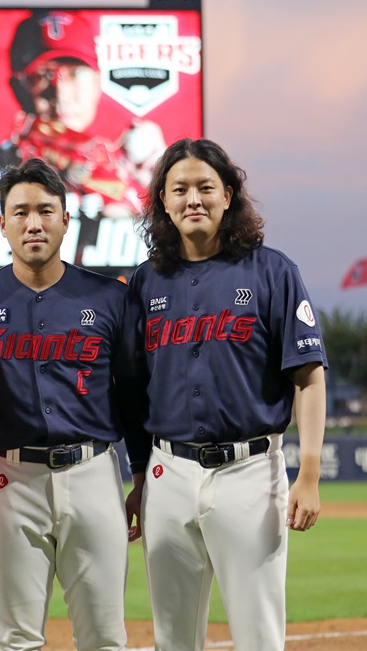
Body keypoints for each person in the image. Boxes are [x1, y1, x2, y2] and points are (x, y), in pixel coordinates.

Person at [123, 138, 328, 650]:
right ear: (164, 203)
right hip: (167, 472)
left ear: (229, 195)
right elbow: (132, 391)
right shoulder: (146, 283)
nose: (193, 199)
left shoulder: (273, 272)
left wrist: (308, 472)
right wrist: (138, 477)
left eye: (205, 187)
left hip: (250, 471)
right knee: (173, 636)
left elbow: (308, 377)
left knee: (258, 634)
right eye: (180, 189)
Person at [0, 158, 132, 650]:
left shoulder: (109, 297)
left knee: (105, 636)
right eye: (21, 211)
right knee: (16, 637)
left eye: (47, 211)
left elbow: (134, 393)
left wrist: (145, 480)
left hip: (93, 472)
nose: (34, 223)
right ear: (2, 222)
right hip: (10, 477)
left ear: (66, 220)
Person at [0, 10, 161, 221]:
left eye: (76, 74)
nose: (61, 95)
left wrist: (161, 188)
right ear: (19, 88)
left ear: (97, 83)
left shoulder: (125, 167)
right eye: (43, 75)